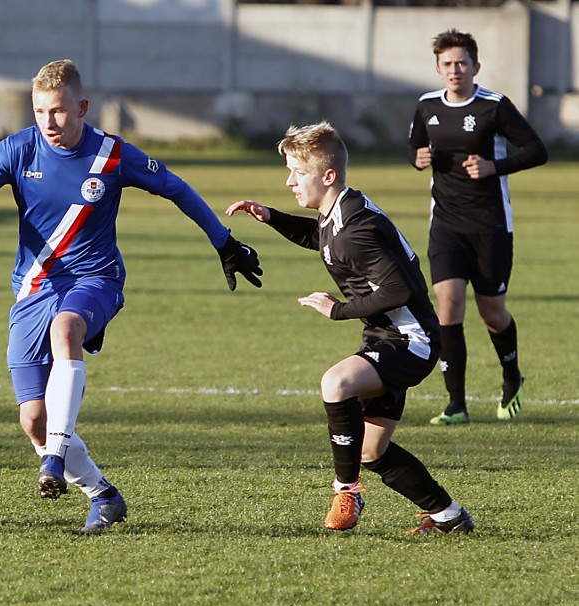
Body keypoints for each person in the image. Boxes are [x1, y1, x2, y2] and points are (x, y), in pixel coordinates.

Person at [0, 59, 263, 532]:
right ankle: (104, 496)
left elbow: (176, 189)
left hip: (96, 280)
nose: (49, 122)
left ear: (82, 107)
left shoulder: (112, 156)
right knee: (32, 420)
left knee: (68, 330)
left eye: (60, 111)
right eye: (40, 111)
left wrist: (223, 242)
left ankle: (55, 459)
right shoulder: (18, 150)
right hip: (32, 289)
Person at [226, 121, 473, 534]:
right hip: (389, 337)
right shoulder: (342, 210)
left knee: (336, 383)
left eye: (297, 173)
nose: (289, 181)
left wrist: (337, 309)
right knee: (373, 451)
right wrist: (271, 217)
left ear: (327, 176)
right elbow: (320, 237)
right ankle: (449, 516)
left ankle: (347, 491)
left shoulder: (356, 229)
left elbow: (395, 289)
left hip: (408, 341)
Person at [408, 29, 548, 425]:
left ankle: (511, 376)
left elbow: (537, 150)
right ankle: (456, 405)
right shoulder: (426, 105)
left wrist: (493, 167)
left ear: (475, 66)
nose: (455, 70)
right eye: (447, 64)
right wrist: (416, 158)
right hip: (446, 224)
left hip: (490, 225)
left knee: (492, 312)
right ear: (438, 68)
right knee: (448, 306)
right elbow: (414, 147)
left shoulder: (494, 106)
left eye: (462, 63)